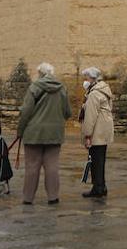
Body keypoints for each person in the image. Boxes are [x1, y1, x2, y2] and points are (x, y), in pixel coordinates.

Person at [17, 61, 72, 205]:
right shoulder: (62, 89)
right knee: (52, 166)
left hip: (34, 132)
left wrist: (20, 131)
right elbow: (67, 112)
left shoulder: (34, 87)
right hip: (55, 133)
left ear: (40, 74)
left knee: (32, 167)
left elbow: (26, 112)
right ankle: (53, 197)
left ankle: (28, 198)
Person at [79, 67, 114, 198]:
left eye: (86, 78)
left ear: (92, 79)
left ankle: (98, 188)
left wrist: (88, 135)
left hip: (97, 133)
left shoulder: (94, 94)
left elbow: (90, 116)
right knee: (100, 160)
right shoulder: (104, 90)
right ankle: (101, 185)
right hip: (103, 131)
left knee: (96, 160)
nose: (85, 80)